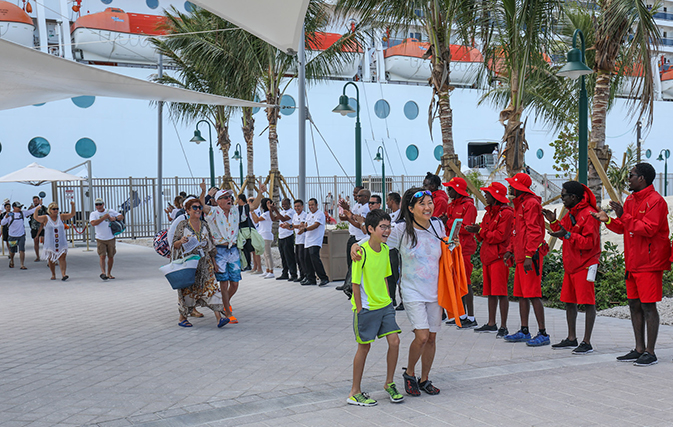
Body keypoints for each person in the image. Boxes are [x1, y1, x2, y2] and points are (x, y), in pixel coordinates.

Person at [353, 188, 444, 397]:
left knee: (431, 337)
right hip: (412, 291)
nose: (428, 207)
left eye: (430, 203)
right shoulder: (401, 229)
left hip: (435, 290)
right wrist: (355, 247)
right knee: (421, 336)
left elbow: (443, 251)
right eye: (422, 204)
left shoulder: (438, 225)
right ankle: (410, 373)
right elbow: (376, 238)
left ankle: (425, 379)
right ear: (411, 209)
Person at [593, 163, 671, 366]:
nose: (628, 179)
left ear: (642, 178)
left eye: (631, 175)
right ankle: (638, 349)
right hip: (633, 262)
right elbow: (624, 227)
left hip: (649, 263)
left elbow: (648, 229)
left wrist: (623, 216)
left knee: (648, 306)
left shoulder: (656, 201)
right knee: (634, 304)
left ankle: (650, 352)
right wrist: (608, 220)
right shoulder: (630, 200)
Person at [347, 209, 403, 407]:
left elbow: (387, 277)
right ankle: (355, 392)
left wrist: (389, 300)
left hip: (385, 305)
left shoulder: (386, 249)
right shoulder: (361, 252)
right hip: (367, 307)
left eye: (389, 226)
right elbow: (355, 283)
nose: (387, 231)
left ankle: (389, 384)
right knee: (365, 347)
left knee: (394, 341)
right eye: (383, 227)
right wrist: (360, 308)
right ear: (370, 229)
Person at [543, 181, 601, 355]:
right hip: (571, 266)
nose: (562, 199)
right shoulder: (571, 214)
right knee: (570, 302)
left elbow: (589, 243)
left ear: (574, 197)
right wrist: (553, 222)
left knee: (588, 303)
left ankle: (587, 341)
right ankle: (571, 338)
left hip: (585, 265)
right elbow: (565, 234)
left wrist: (568, 234)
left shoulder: (589, 214)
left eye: (564, 195)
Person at [502, 173, 550, 346]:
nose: (510, 187)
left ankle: (543, 333)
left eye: (512, 185)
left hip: (530, 257)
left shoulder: (530, 204)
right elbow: (517, 232)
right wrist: (510, 251)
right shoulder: (519, 204)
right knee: (522, 295)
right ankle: (524, 330)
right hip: (522, 257)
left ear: (519, 187)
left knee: (533, 295)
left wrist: (529, 255)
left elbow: (534, 232)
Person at [172, 197, 229, 329]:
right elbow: (174, 244)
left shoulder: (204, 224)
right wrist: (181, 241)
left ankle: (219, 318)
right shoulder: (182, 225)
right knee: (189, 292)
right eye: (195, 208)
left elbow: (210, 245)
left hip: (205, 263)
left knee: (212, 288)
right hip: (190, 265)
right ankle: (183, 318)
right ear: (187, 210)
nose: (198, 210)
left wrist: (214, 262)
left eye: (199, 207)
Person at [465, 182, 513, 338]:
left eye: (488, 194)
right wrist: (476, 230)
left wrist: (480, 230)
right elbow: (484, 235)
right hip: (488, 257)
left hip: (499, 257)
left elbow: (500, 236)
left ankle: (504, 326)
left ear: (496, 196)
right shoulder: (489, 213)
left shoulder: (506, 213)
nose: (485, 196)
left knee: (501, 292)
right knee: (491, 292)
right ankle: (491, 323)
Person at [199, 181, 240, 322]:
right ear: (218, 201)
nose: (229, 199)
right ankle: (228, 311)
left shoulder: (235, 210)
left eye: (230, 197)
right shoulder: (213, 211)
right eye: (226, 197)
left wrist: (260, 193)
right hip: (220, 250)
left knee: (235, 283)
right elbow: (201, 206)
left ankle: (224, 303)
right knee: (223, 282)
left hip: (233, 249)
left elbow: (253, 206)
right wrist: (204, 192)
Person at [442, 177, 478, 329]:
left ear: (457, 190)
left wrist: (448, 221)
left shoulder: (469, 206)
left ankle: (470, 317)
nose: (447, 191)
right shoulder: (452, 205)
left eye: (450, 189)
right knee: (457, 282)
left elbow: (466, 227)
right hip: (453, 247)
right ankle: (460, 314)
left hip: (465, 249)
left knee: (466, 282)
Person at [336, 187, 370, 291]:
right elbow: (353, 217)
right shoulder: (358, 205)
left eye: (358, 195)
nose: (356, 196)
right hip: (353, 236)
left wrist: (348, 218)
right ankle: (348, 282)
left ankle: (352, 284)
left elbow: (359, 224)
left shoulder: (366, 208)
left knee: (355, 263)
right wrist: (347, 214)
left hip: (360, 238)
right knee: (349, 262)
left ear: (365, 197)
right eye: (355, 194)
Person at [32, 201, 76, 280]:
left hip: (61, 241)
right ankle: (53, 274)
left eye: (57, 209)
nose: (55, 210)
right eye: (53, 209)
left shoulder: (61, 217)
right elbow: (36, 218)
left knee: (62, 258)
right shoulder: (46, 218)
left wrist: (73, 206)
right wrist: (36, 210)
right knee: (51, 259)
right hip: (50, 242)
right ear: (50, 210)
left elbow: (71, 215)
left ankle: (63, 274)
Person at [89, 198, 124, 280]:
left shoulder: (110, 211)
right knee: (102, 256)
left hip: (110, 237)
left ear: (103, 204)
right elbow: (93, 223)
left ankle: (109, 273)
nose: (98, 206)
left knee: (111, 256)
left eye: (100, 204)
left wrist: (114, 218)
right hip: (100, 238)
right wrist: (103, 218)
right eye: (97, 205)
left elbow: (121, 216)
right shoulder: (93, 214)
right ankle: (103, 272)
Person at [1, 201, 39, 269]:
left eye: (20, 207)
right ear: (14, 207)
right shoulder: (10, 215)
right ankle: (12, 260)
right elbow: (3, 223)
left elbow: (31, 211)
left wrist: (39, 206)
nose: (20, 208)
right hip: (12, 236)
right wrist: (6, 217)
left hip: (21, 235)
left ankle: (22, 264)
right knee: (12, 251)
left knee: (22, 250)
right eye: (18, 207)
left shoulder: (22, 213)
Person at [301, 198, 329, 286]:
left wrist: (305, 229)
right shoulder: (309, 215)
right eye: (309, 205)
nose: (310, 207)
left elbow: (316, 225)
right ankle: (311, 278)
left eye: (312, 205)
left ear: (317, 205)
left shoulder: (320, 214)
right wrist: (301, 227)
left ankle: (323, 278)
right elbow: (305, 224)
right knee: (307, 260)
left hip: (316, 240)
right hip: (308, 240)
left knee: (315, 259)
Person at [271, 198, 298, 281]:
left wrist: (275, 209)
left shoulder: (291, 212)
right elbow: (274, 219)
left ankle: (293, 274)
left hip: (288, 236)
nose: (284, 206)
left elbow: (283, 219)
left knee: (289, 256)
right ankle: (285, 273)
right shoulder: (282, 212)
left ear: (289, 204)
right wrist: (270, 210)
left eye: (285, 204)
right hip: (281, 237)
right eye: (282, 204)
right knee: (283, 256)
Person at [387, 192, 403, 310]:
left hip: (397, 249)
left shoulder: (400, 216)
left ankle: (403, 299)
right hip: (389, 248)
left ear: (392, 201)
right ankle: (392, 298)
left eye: (388, 200)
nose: (387, 203)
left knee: (398, 276)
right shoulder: (390, 216)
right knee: (390, 275)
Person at [252, 198, 275, 279]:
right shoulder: (265, 213)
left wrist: (252, 211)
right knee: (265, 255)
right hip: (263, 236)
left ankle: (271, 271)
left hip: (266, 236)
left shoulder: (267, 214)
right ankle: (267, 270)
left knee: (268, 254)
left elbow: (256, 220)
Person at [292, 199, 308, 283]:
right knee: (298, 258)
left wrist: (292, 226)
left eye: (298, 206)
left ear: (302, 206)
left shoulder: (304, 215)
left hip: (303, 240)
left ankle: (306, 275)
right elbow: (293, 226)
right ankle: (301, 275)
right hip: (297, 240)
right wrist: (290, 226)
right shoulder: (295, 215)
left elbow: (301, 225)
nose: (296, 208)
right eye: (295, 206)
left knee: (302, 258)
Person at [28, 195, 48, 262]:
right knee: (36, 241)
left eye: (36, 201)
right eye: (34, 201)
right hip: (34, 227)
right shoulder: (32, 208)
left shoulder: (43, 208)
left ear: (39, 201)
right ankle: (37, 256)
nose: (35, 202)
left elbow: (48, 213)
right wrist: (30, 209)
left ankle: (47, 255)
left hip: (42, 226)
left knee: (43, 240)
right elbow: (27, 215)